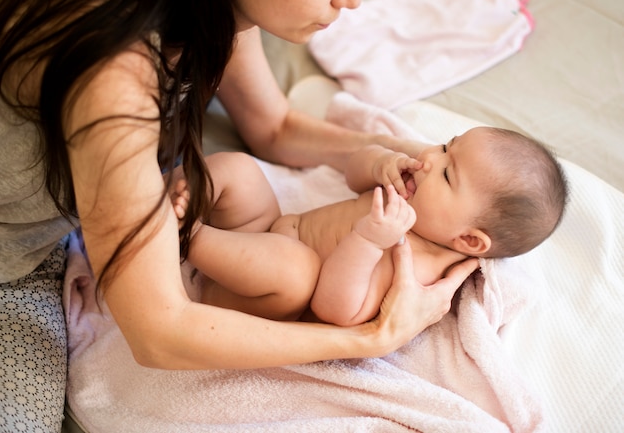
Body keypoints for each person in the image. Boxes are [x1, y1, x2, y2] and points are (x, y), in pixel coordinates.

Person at [0, 0, 479, 431]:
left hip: (93, 209)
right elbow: (158, 335)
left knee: (243, 180)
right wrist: (370, 338)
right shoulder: (114, 70)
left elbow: (275, 127)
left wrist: (412, 159)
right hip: (14, 262)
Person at [176, 126, 568, 326]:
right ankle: (159, 197)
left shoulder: (419, 263)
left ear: (467, 238)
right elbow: (353, 177)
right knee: (239, 169)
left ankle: (180, 236)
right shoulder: (410, 189)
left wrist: (366, 241)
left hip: (261, 294)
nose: (430, 158)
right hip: (263, 231)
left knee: (297, 272)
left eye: (448, 174)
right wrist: (379, 162)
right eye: (447, 146)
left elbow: (337, 311)